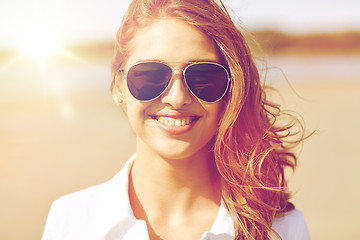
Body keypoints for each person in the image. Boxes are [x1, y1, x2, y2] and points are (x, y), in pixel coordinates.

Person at [42, 0, 311, 239]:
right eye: (150, 75)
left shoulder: (281, 229)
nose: (177, 97)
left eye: (204, 77)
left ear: (230, 89)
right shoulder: (70, 221)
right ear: (118, 87)